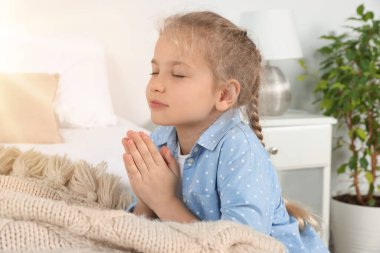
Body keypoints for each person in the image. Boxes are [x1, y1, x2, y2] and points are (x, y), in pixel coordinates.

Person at [122, 11, 329, 253]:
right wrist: (146, 200)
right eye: (154, 71)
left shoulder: (239, 150)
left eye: (177, 74)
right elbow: (141, 227)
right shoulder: (160, 139)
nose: (156, 84)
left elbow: (243, 247)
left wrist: (165, 201)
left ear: (224, 95)